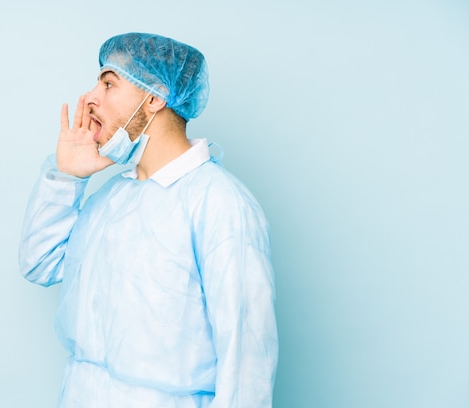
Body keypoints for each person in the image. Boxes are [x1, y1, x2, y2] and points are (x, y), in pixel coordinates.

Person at [19, 32, 278, 407]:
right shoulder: (113, 197)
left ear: (154, 97)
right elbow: (39, 265)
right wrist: (68, 177)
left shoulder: (219, 203)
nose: (90, 97)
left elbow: (248, 358)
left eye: (109, 84)